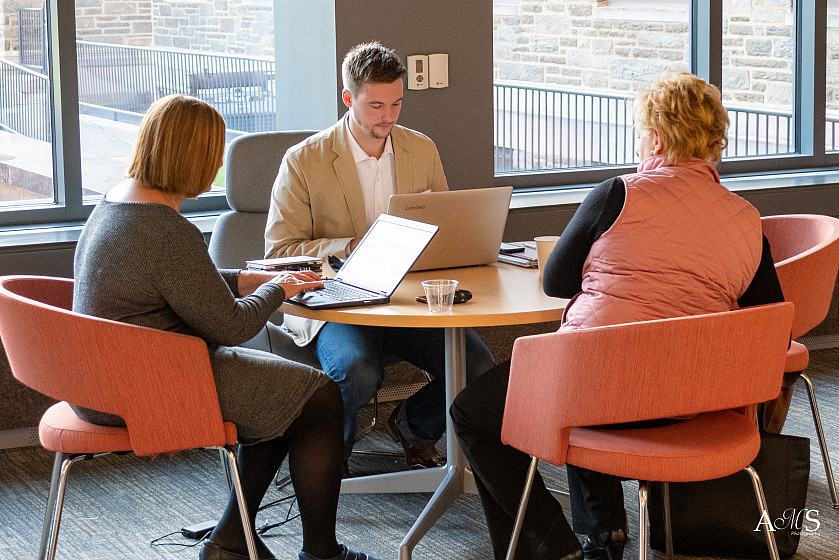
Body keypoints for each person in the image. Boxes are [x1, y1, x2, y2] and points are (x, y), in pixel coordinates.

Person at [450, 71, 785, 560]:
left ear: (654, 136)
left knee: (474, 410)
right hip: (694, 399)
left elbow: (556, 283)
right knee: (602, 359)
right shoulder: (747, 220)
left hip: (600, 391)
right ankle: (602, 535)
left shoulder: (617, 194)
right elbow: (771, 323)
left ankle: (553, 544)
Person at [73, 94, 380, 560]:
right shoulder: (165, 228)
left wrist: (246, 279)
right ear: (192, 158)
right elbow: (232, 325)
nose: (218, 163)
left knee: (280, 393)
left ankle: (231, 542)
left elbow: (171, 281)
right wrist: (277, 290)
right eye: (214, 153)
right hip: (149, 383)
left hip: (103, 378)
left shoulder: (116, 203)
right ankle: (322, 553)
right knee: (317, 396)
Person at [264, 41, 495, 473]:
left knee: (478, 365)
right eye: (375, 105)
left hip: (407, 296)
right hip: (338, 301)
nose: (387, 116)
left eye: (396, 104)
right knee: (358, 370)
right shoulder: (304, 161)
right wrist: (350, 246)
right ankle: (327, 460)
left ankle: (413, 428)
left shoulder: (421, 150)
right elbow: (279, 252)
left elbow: (445, 227)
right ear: (348, 98)